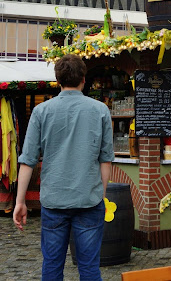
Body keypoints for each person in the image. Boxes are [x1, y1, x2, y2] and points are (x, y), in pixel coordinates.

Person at [13, 54, 114, 280]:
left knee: (52, 266)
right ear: (84, 79)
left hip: (54, 200)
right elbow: (105, 160)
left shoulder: (41, 111)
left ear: (57, 80)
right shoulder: (100, 110)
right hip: (89, 200)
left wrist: (20, 202)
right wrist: (101, 196)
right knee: (89, 268)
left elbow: (28, 160)